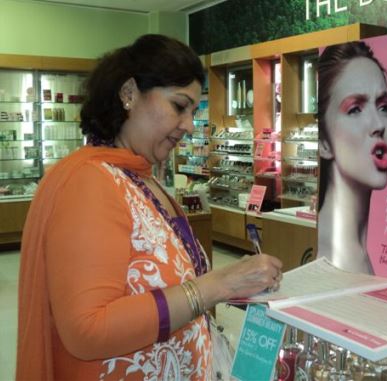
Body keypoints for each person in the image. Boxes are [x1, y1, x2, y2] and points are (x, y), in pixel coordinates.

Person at [16, 34, 283, 381]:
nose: (188, 125)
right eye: (179, 106)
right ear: (129, 93)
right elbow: (87, 329)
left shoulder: (141, 179)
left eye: (193, 111)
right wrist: (219, 285)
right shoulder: (90, 182)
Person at [316, 41, 387, 273]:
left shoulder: (373, 249)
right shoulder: (326, 255)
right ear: (323, 142)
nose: (378, 125)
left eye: (383, 107)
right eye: (355, 109)